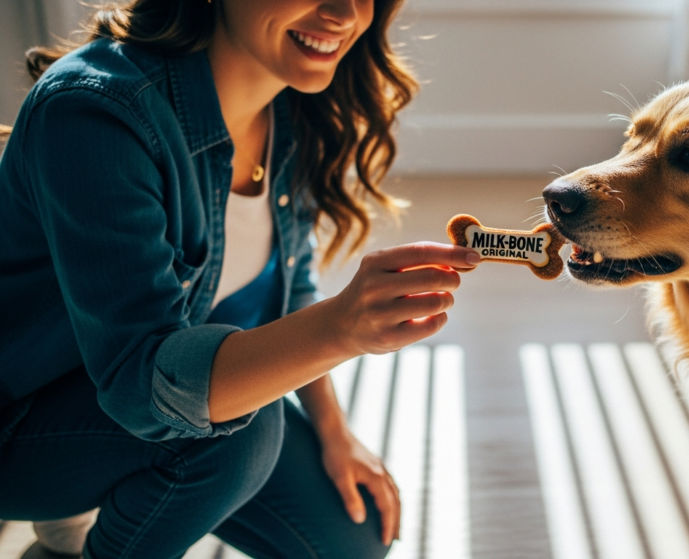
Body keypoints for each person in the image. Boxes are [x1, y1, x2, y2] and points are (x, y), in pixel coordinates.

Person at [0, 0, 480, 557]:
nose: (344, 12)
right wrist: (341, 328)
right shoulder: (95, 109)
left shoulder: (291, 106)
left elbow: (290, 288)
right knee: (241, 433)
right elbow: (140, 384)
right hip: (22, 427)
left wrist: (333, 430)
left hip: (148, 399)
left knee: (354, 535)